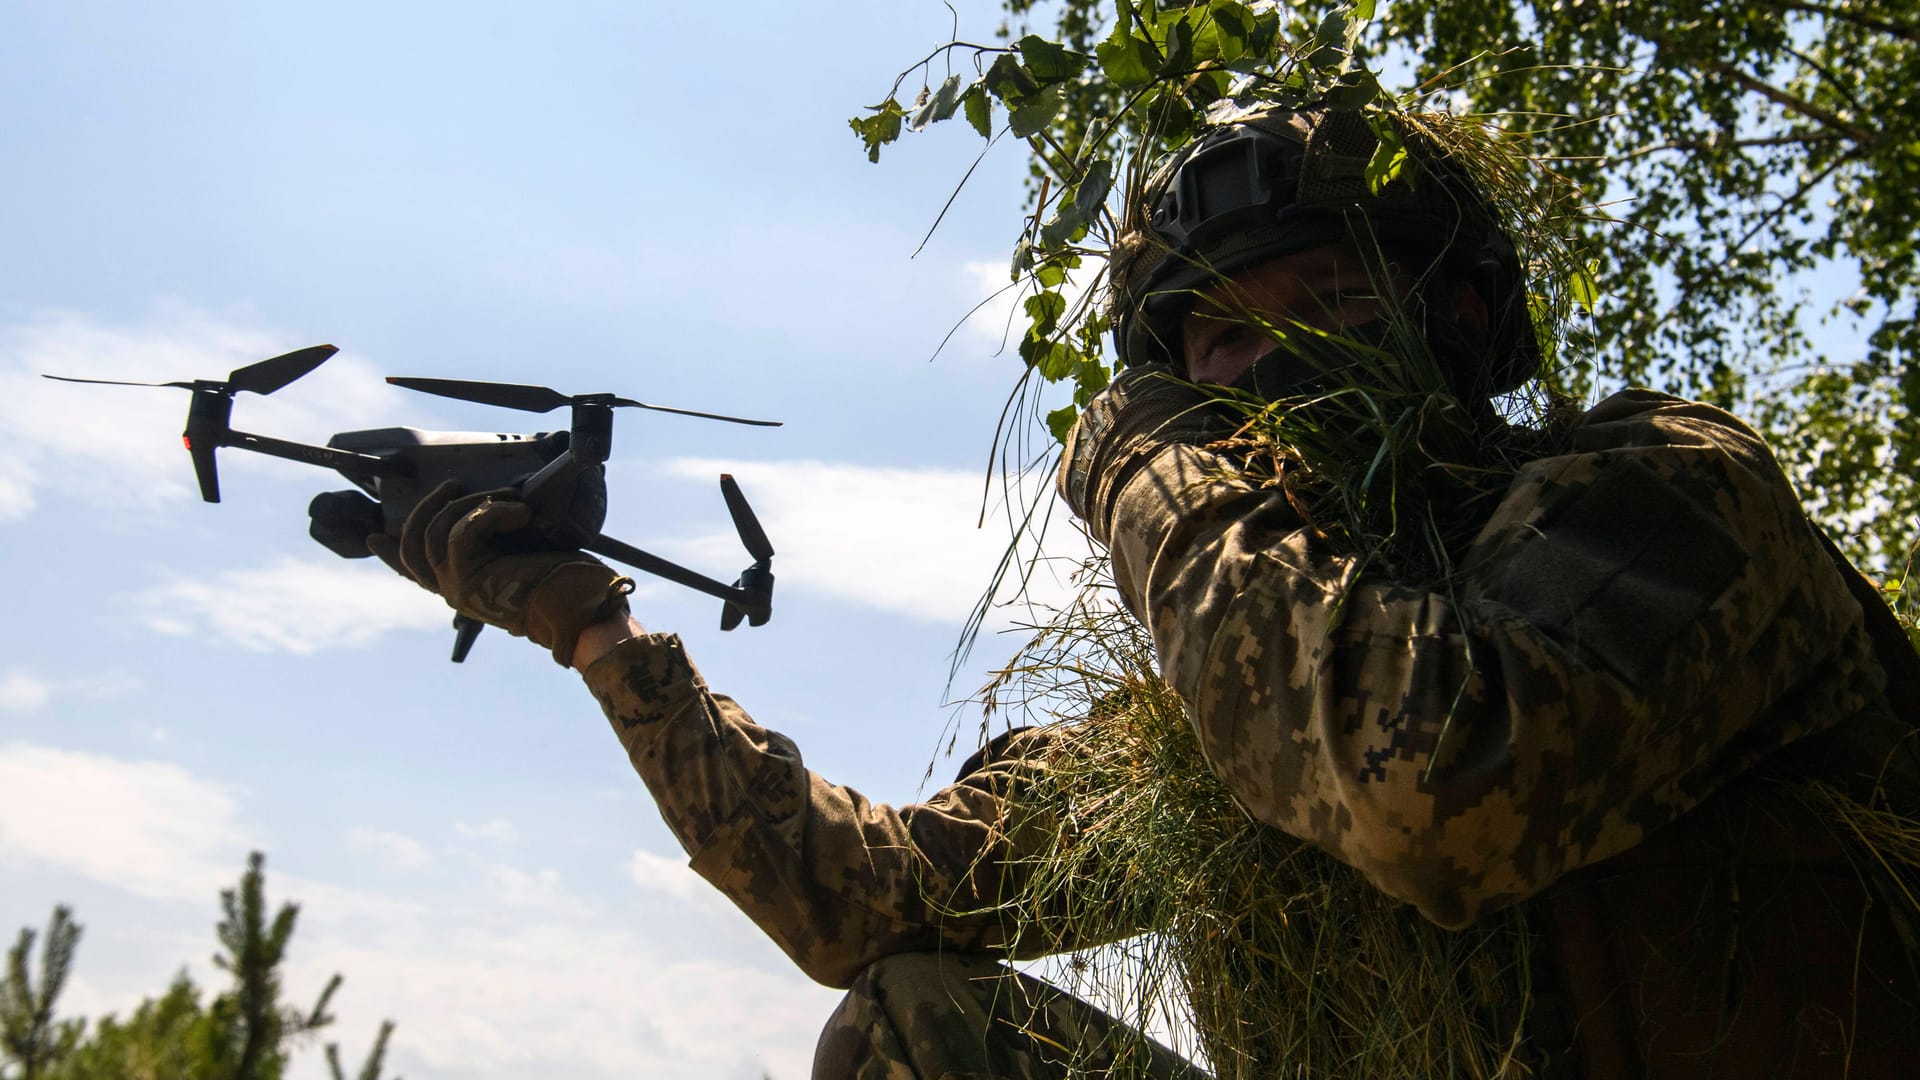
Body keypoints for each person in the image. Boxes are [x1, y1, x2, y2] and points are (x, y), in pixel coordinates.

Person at [371, 104, 1920, 1078]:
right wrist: (596, 631)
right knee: (917, 1020)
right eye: (1220, 347)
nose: (1272, 368)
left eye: (1325, 301)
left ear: (1455, 317)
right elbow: (859, 898)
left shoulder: (1663, 490)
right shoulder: (1217, 712)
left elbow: (1435, 786)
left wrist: (1139, 465)